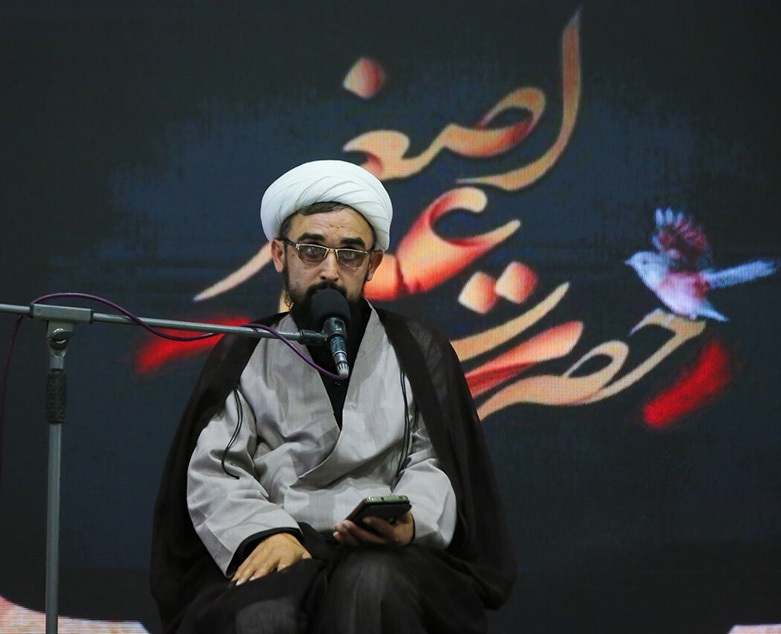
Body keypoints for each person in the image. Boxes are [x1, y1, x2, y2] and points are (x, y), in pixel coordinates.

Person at [150, 160, 516, 633]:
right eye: (311, 250)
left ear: (373, 264)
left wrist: (410, 519)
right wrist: (265, 532)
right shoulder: (246, 350)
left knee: (371, 583)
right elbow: (217, 467)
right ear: (279, 254)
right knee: (264, 615)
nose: (329, 271)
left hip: (382, 549)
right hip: (280, 538)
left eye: (349, 254)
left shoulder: (417, 349)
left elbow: (432, 461)